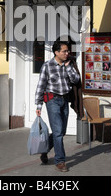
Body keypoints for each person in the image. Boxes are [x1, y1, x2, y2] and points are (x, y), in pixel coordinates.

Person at [35, 40, 80, 172]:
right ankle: (60, 161)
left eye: (67, 51)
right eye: (64, 51)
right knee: (58, 133)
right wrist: (38, 105)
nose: (67, 53)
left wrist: (68, 67)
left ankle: (44, 149)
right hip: (52, 100)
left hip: (65, 100)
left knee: (61, 131)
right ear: (56, 52)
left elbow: (76, 80)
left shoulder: (69, 65)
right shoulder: (47, 66)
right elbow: (41, 85)